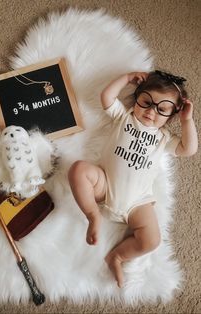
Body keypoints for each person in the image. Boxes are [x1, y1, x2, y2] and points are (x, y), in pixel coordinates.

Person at [68, 70, 198, 288]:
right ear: (137, 97)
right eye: (146, 102)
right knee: (78, 170)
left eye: (162, 109)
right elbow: (106, 97)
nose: (150, 112)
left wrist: (187, 120)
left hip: (138, 203)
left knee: (152, 240)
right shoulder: (124, 117)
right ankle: (93, 216)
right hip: (105, 185)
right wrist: (126, 79)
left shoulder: (164, 138)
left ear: (171, 115)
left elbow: (189, 149)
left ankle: (117, 257)